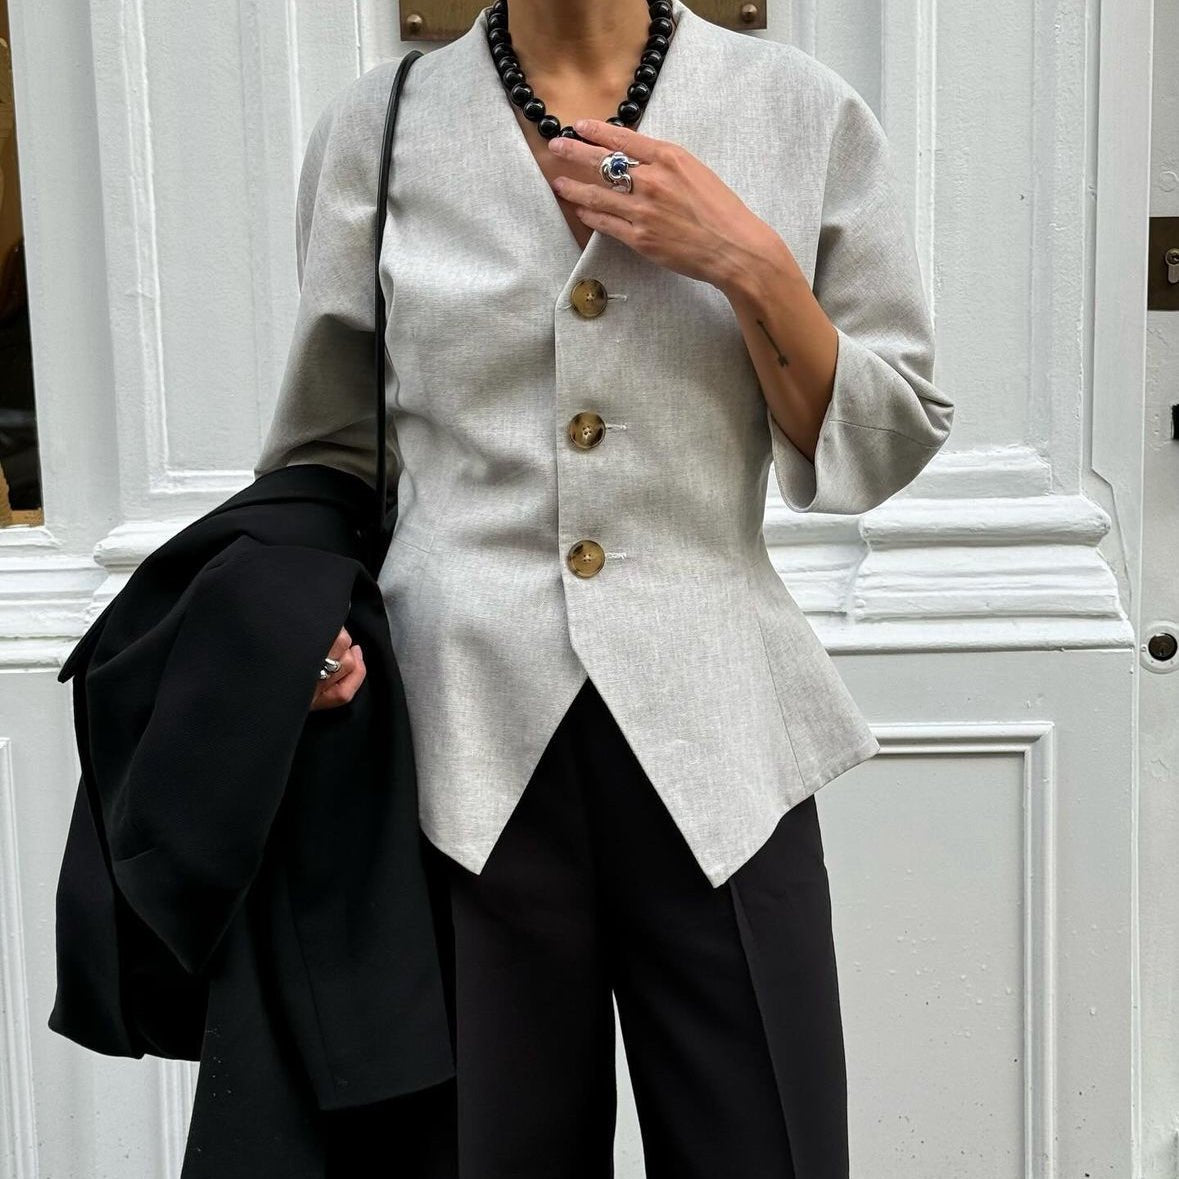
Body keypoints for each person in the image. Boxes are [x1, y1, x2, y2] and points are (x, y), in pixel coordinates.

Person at [255, 0, 954, 1174]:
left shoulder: (798, 111)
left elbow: (885, 442)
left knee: (761, 1148)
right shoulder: (377, 128)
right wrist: (305, 615)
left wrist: (744, 257)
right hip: (458, 751)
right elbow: (329, 445)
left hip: (721, 746)